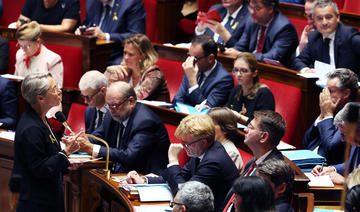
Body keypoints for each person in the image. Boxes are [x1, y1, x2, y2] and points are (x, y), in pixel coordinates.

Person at [127, 114, 240, 211]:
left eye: (187, 144)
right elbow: (182, 175)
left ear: (203, 142)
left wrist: (173, 161)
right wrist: (144, 180)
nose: (184, 147)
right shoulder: (203, 150)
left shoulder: (213, 161)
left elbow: (183, 195)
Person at [9, 73, 79, 211]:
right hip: (37, 204)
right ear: (40, 98)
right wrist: (66, 152)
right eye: (54, 89)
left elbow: (50, 155)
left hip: (49, 198)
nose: (59, 91)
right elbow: (40, 169)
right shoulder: (31, 128)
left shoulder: (42, 118)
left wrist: (66, 162)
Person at [69, 81, 170, 174]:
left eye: (114, 105)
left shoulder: (146, 122)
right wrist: (80, 140)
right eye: (108, 106)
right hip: (123, 172)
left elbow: (129, 156)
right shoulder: (114, 113)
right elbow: (99, 135)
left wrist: (91, 148)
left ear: (130, 101)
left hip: (147, 177)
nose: (111, 110)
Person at [222, 110, 286, 211]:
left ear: (263, 137)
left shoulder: (270, 172)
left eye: (251, 127)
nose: (246, 130)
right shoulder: (253, 162)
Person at [303, 69, 358, 165]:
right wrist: (321, 115)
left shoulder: (352, 115)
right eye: (325, 90)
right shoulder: (331, 109)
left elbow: (331, 148)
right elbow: (306, 143)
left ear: (346, 93)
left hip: (328, 169)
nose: (326, 95)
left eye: (331, 91)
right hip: (309, 162)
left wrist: (327, 115)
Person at [294, 0, 360, 77]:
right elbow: (299, 60)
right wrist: (306, 70)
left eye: (328, 17)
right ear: (314, 20)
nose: (324, 22)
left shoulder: (351, 38)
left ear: (338, 17)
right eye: (319, 18)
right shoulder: (314, 37)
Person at [225, 0, 298, 68]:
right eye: (250, 7)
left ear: (270, 9)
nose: (252, 12)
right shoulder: (251, 20)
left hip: (276, 73)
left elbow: (272, 58)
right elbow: (241, 46)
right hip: (251, 67)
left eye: (257, 8)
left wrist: (240, 55)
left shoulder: (284, 28)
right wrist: (229, 51)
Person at [14, 21, 64, 120]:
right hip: (22, 104)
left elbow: (56, 91)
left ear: (38, 41)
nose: (23, 50)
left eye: (27, 46)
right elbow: (16, 81)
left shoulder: (52, 59)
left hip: (46, 106)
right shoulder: (20, 54)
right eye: (20, 45)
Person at [76, 0, 145, 65]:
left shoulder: (130, 3)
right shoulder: (92, 2)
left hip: (117, 53)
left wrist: (105, 36)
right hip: (92, 53)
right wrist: (83, 31)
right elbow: (87, 24)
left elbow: (136, 36)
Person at [104, 34, 170, 102]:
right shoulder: (125, 70)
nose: (126, 57)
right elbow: (104, 91)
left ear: (143, 56)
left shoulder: (154, 73)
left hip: (156, 111)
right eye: (125, 53)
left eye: (131, 54)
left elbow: (135, 97)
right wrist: (108, 72)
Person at [173, 35, 234, 108]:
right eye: (189, 56)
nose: (190, 62)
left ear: (210, 58)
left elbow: (207, 109)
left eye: (195, 58)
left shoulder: (224, 79)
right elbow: (177, 100)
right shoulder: (192, 67)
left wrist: (193, 82)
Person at [311, 102, 360, 185]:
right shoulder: (356, 141)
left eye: (344, 134)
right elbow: (353, 165)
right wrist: (332, 169)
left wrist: (345, 181)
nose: (342, 139)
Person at [226, 52, 275, 125]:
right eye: (236, 70)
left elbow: (263, 125)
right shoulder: (236, 90)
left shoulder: (264, 93)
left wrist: (238, 117)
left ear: (254, 73)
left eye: (244, 70)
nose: (238, 74)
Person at [208, 107, 243, 171]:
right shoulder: (208, 143)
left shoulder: (231, 153)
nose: (207, 127)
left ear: (225, 129)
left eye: (211, 124)